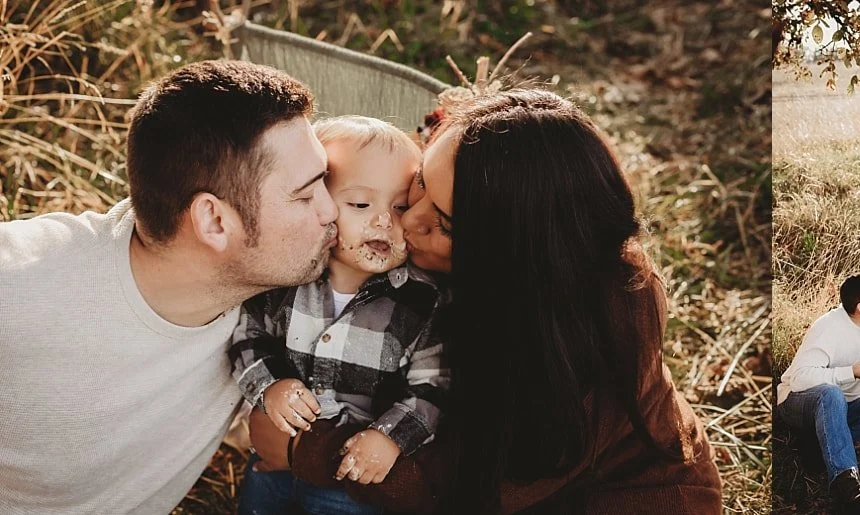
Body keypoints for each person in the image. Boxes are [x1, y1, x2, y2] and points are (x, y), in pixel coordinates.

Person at [248, 89, 723, 513]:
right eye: (420, 186)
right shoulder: (471, 259)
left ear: (510, 252)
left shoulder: (578, 346)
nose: (407, 222)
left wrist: (305, 450)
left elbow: (469, 487)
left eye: (445, 222)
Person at [0, 60, 337, 513]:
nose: (331, 211)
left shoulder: (270, 306)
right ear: (214, 221)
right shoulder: (25, 285)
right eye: (305, 194)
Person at [230, 116, 448, 514]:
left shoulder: (420, 300)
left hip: (351, 479)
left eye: (400, 207)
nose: (383, 220)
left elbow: (433, 386)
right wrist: (271, 384)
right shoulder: (289, 278)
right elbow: (249, 334)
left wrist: (391, 437)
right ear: (321, 207)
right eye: (360, 204)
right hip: (274, 457)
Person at [775, 272, 860, 514]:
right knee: (831, 394)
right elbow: (800, 377)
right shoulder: (829, 327)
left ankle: (824, 443)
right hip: (798, 401)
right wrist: (850, 372)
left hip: (849, 405)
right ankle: (846, 484)